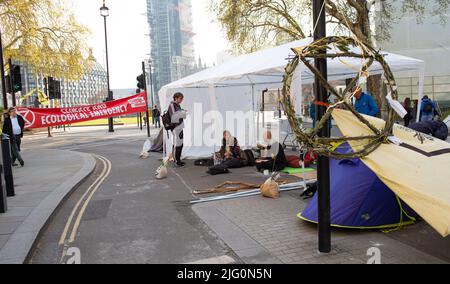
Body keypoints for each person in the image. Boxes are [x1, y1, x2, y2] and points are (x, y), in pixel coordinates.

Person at [169, 93, 187, 167]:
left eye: (182, 98)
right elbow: (174, 115)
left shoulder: (177, 105)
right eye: (180, 98)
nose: (181, 100)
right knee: (177, 144)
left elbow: (181, 115)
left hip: (180, 126)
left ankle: (178, 160)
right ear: (175, 98)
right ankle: (176, 161)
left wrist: (182, 112)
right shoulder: (172, 105)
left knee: (180, 144)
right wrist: (182, 112)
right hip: (176, 127)